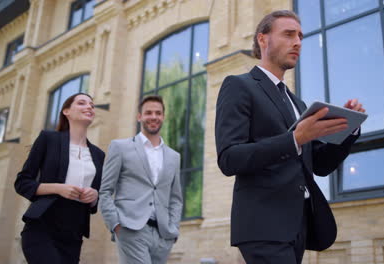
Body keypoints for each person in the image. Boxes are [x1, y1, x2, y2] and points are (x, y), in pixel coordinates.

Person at [215, 10, 366, 264]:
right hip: (263, 224)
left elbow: (319, 165)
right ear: (263, 40)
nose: (297, 42)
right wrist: (295, 139)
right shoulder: (239, 85)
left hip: (298, 225)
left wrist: (348, 130)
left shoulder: (298, 102)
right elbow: (229, 158)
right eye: (288, 34)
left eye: (300, 36)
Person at [14, 93, 105, 264]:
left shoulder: (99, 155)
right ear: (66, 111)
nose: (89, 107)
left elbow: (97, 198)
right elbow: (22, 182)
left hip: (73, 235)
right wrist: (58, 188)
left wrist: (94, 197)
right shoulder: (48, 139)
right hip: (42, 228)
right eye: (82, 103)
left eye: (92, 105)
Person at [99, 95, 183, 264]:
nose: (154, 117)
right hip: (131, 229)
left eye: (158, 113)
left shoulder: (174, 156)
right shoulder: (120, 147)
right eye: (149, 112)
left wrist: (173, 229)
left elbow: (175, 198)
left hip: (163, 235)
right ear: (139, 117)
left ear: (163, 117)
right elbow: (105, 191)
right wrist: (115, 224)